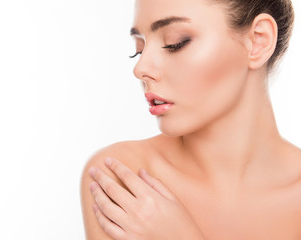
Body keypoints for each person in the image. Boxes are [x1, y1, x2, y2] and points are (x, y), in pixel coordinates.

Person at [80, 0, 301, 239]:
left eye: (174, 43)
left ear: (258, 41)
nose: (141, 68)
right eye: (139, 48)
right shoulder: (122, 179)